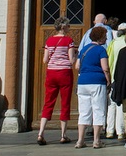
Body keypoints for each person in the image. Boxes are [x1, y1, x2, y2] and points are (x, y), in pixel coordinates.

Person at [35, 17, 76, 145]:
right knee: (65, 102)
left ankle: (41, 132)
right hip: (64, 73)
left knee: (48, 102)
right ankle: (63, 134)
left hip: (51, 73)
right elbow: (71, 60)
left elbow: (44, 60)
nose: (69, 28)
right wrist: (76, 54)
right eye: (68, 26)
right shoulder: (69, 41)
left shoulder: (49, 41)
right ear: (63, 27)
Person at [74, 24, 111, 149]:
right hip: (97, 82)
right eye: (105, 36)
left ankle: (80, 140)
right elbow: (105, 68)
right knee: (98, 110)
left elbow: (77, 66)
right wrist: (109, 81)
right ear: (100, 38)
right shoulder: (101, 50)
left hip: (83, 82)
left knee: (84, 112)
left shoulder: (83, 49)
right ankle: (96, 140)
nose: (106, 39)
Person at [106, 21, 126, 141]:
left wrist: (109, 77)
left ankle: (109, 130)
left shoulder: (113, 43)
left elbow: (109, 60)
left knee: (111, 104)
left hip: (113, 77)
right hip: (124, 77)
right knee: (121, 104)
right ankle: (120, 131)